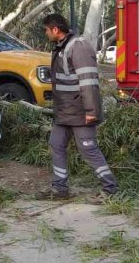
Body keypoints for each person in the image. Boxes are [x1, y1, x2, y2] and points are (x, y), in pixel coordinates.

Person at [41, 13, 118, 200]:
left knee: (88, 149)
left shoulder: (78, 46)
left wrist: (91, 111)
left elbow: (89, 81)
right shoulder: (61, 48)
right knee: (56, 144)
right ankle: (60, 188)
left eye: (46, 30)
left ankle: (110, 189)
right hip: (65, 112)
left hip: (81, 111)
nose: (46, 34)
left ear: (55, 30)